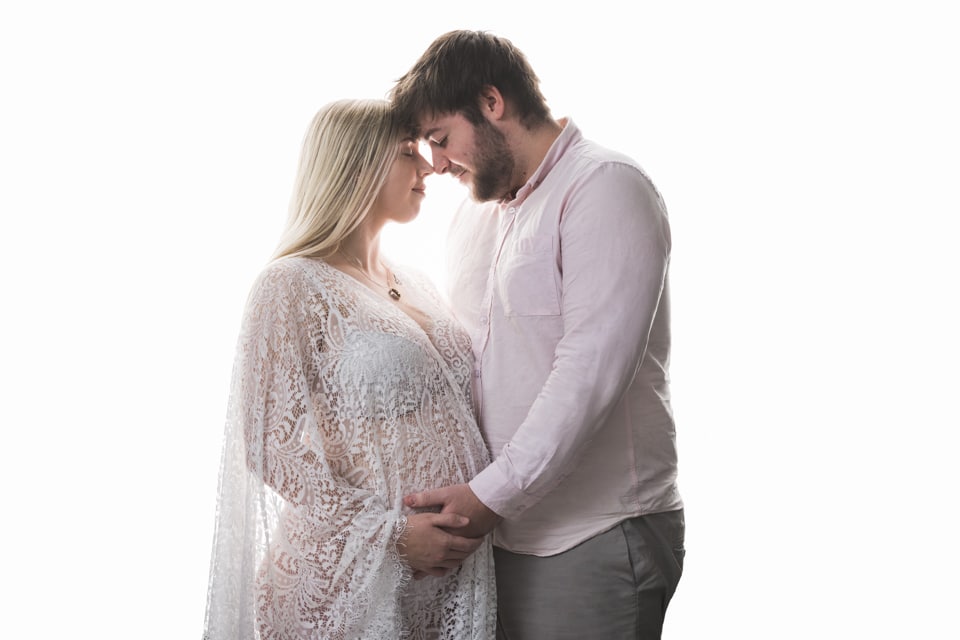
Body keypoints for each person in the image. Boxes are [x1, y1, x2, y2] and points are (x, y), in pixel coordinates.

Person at [390, 31, 685, 639]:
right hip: (495, 540)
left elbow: (589, 372)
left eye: (441, 138)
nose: (436, 164)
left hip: (591, 533)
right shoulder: (476, 214)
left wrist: (487, 497)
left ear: (492, 102)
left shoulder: (604, 186)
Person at [202, 98, 496, 640]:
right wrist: (391, 536)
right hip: (347, 582)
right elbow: (269, 445)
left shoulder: (416, 282)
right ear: (356, 164)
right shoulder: (290, 283)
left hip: (445, 577)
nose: (429, 165)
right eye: (407, 151)